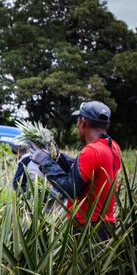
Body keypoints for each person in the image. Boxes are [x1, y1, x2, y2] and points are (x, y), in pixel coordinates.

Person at [28, 101, 121, 241]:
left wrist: (44, 162)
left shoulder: (91, 151)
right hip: (106, 225)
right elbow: (84, 170)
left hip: (88, 227)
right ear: (107, 125)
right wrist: (58, 158)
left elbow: (70, 189)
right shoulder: (113, 147)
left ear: (83, 122)